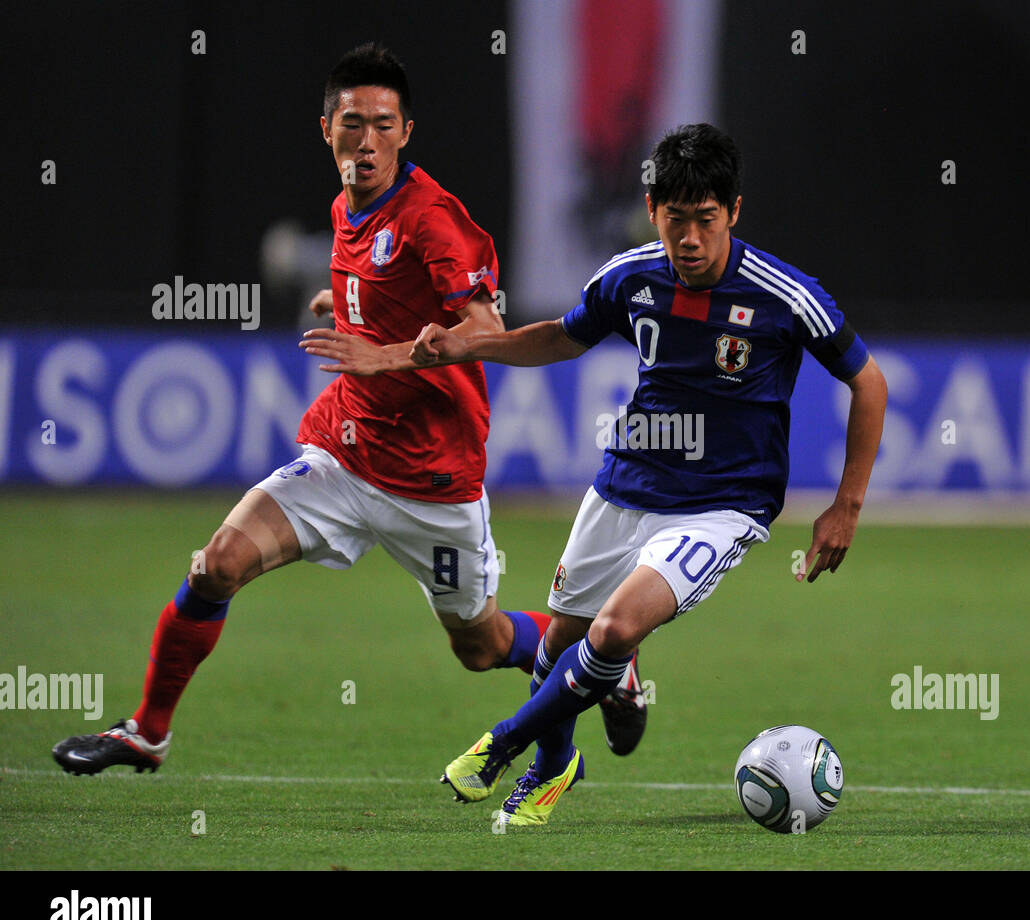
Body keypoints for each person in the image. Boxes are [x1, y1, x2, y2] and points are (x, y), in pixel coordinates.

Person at [52, 43, 642, 776]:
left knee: (480, 646)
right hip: (343, 452)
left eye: (384, 125)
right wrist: (353, 307)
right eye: (352, 123)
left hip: (433, 480)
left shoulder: (434, 219)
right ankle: (146, 732)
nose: (367, 141)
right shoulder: (346, 207)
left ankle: (613, 664)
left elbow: (487, 333)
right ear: (325, 128)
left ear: (407, 131)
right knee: (215, 567)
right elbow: (387, 291)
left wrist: (384, 352)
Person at [391, 122, 889, 826]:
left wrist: (847, 507)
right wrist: (469, 347)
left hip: (723, 504)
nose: (688, 238)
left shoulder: (784, 294)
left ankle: (507, 746)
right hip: (624, 486)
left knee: (617, 627)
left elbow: (868, 382)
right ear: (653, 211)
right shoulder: (629, 277)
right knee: (563, 643)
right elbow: (564, 336)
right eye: (674, 219)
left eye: (705, 221)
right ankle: (559, 762)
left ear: (734, 212)